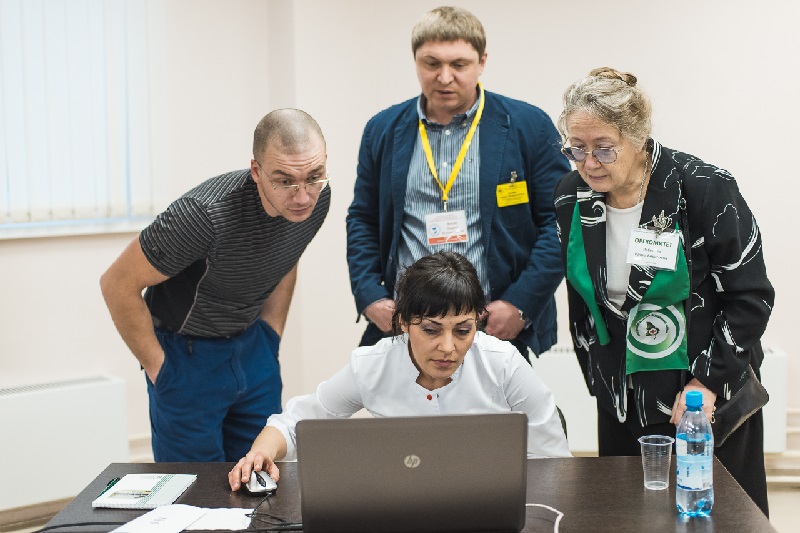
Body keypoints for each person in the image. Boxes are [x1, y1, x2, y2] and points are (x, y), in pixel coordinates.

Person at [553, 67, 774, 514]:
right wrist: (599, 378)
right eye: (576, 148)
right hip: (622, 398)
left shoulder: (703, 188)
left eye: (604, 149)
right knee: (629, 515)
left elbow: (751, 296)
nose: (588, 163)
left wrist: (706, 383)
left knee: (716, 517)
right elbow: (583, 298)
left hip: (702, 400)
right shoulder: (571, 195)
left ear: (637, 138)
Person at [229, 251, 571, 490]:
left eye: (463, 330)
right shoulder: (372, 365)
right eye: (431, 330)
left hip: (488, 506)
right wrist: (261, 453)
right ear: (404, 323)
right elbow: (294, 424)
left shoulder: (504, 362)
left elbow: (554, 462)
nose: (448, 347)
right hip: (402, 506)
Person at [100, 109, 331, 462]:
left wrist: (270, 337)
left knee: (260, 477)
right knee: (193, 489)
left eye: (313, 177)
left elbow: (288, 253)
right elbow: (116, 285)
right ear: (256, 171)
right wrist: (161, 370)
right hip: (187, 357)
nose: (302, 197)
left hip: (254, 350)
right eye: (285, 181)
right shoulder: (203, 215)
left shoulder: (318, 199)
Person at [346, 6, 570, 361]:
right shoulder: (383, 129)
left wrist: (520, 303)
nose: (445, 77)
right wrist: (370, 295)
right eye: (432, 63)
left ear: (482, 62)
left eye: (459, 64)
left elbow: (560, 222)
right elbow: (362, 218)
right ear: (415, 61)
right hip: (407, 326)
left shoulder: (529, 126)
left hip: (493, 326)